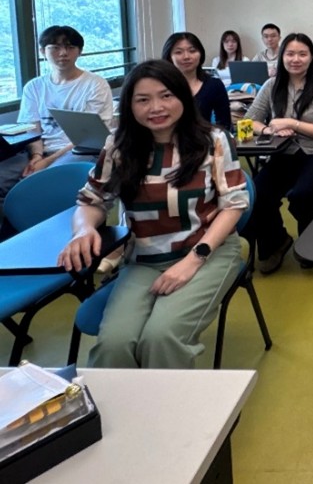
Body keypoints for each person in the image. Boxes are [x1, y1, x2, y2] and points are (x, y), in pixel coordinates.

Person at [56, 60, 248, 369]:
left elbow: (234, 204)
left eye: (166, 96)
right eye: (143, 100)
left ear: (182, 97)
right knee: (114, 344)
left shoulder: (213, 141)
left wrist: (192, 261)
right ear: (129, 105)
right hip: (144, 258)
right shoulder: (118, 146)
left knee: (162, 337)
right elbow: (92, 199)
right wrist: (84, 229)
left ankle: (168, 401)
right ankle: (114, 402)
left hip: (207, 251)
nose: (156, 107)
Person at [244, 33, 313, 274]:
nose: (295, 59)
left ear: (311, 57)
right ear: (282, 57)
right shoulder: (271, 85)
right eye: (290, 54)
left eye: (302, 54)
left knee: (303, 195)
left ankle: (312, 243)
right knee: (257, 193)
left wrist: (292, 123)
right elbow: (249, 120)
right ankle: (276, 242)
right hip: (284, 154)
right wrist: (268, 129)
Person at [0, 25, 114, 225]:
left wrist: (47, 161)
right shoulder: (34, 87)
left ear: (79, 51)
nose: (63, 53)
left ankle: (44, 229)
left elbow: (89, 136)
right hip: (37, 151)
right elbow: (32, 129)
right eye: (55, 47)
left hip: (78, 150)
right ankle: (11, 232)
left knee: (38, 184)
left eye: (70, 47)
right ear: (42, 51)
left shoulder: (95, 84)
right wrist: (37, 156)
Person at [162, 32, 231, 131]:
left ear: (200, 54)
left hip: (203, 138)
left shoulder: (214, 85)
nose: (186, 56)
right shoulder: (160, 86)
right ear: (169, 57)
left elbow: (224, 124)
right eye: (178, 52)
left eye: (192, 51)